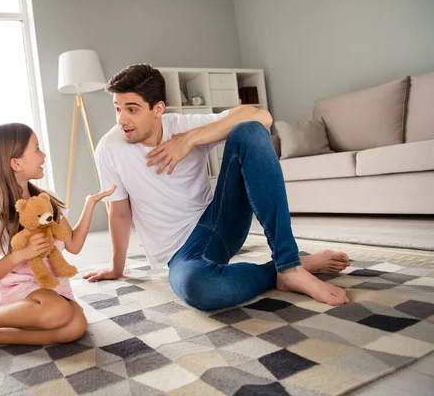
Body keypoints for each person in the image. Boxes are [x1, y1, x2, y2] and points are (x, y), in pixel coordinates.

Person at [83, 64, 351, 311]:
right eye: (117, 108)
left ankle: (289, 264)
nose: (121, 120)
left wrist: (189, 139)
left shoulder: (183, 126)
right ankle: (285, 270)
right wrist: (117, 268)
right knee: (199, 288)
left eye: (132, 109)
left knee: (250, 130)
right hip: (182, 253)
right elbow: (118, 212)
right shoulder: (109, 149)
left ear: (158, 109)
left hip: (221, 221)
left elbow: (262, 116)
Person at [0, 123, 115, 360]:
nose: (43, 155)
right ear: (16, 163)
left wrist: (90, 204)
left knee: (76, 326)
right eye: (37, 149)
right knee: (58, 311)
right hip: (21, 290)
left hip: (52, 286)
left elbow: (72, 244)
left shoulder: (45, 200)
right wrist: (20, 254)